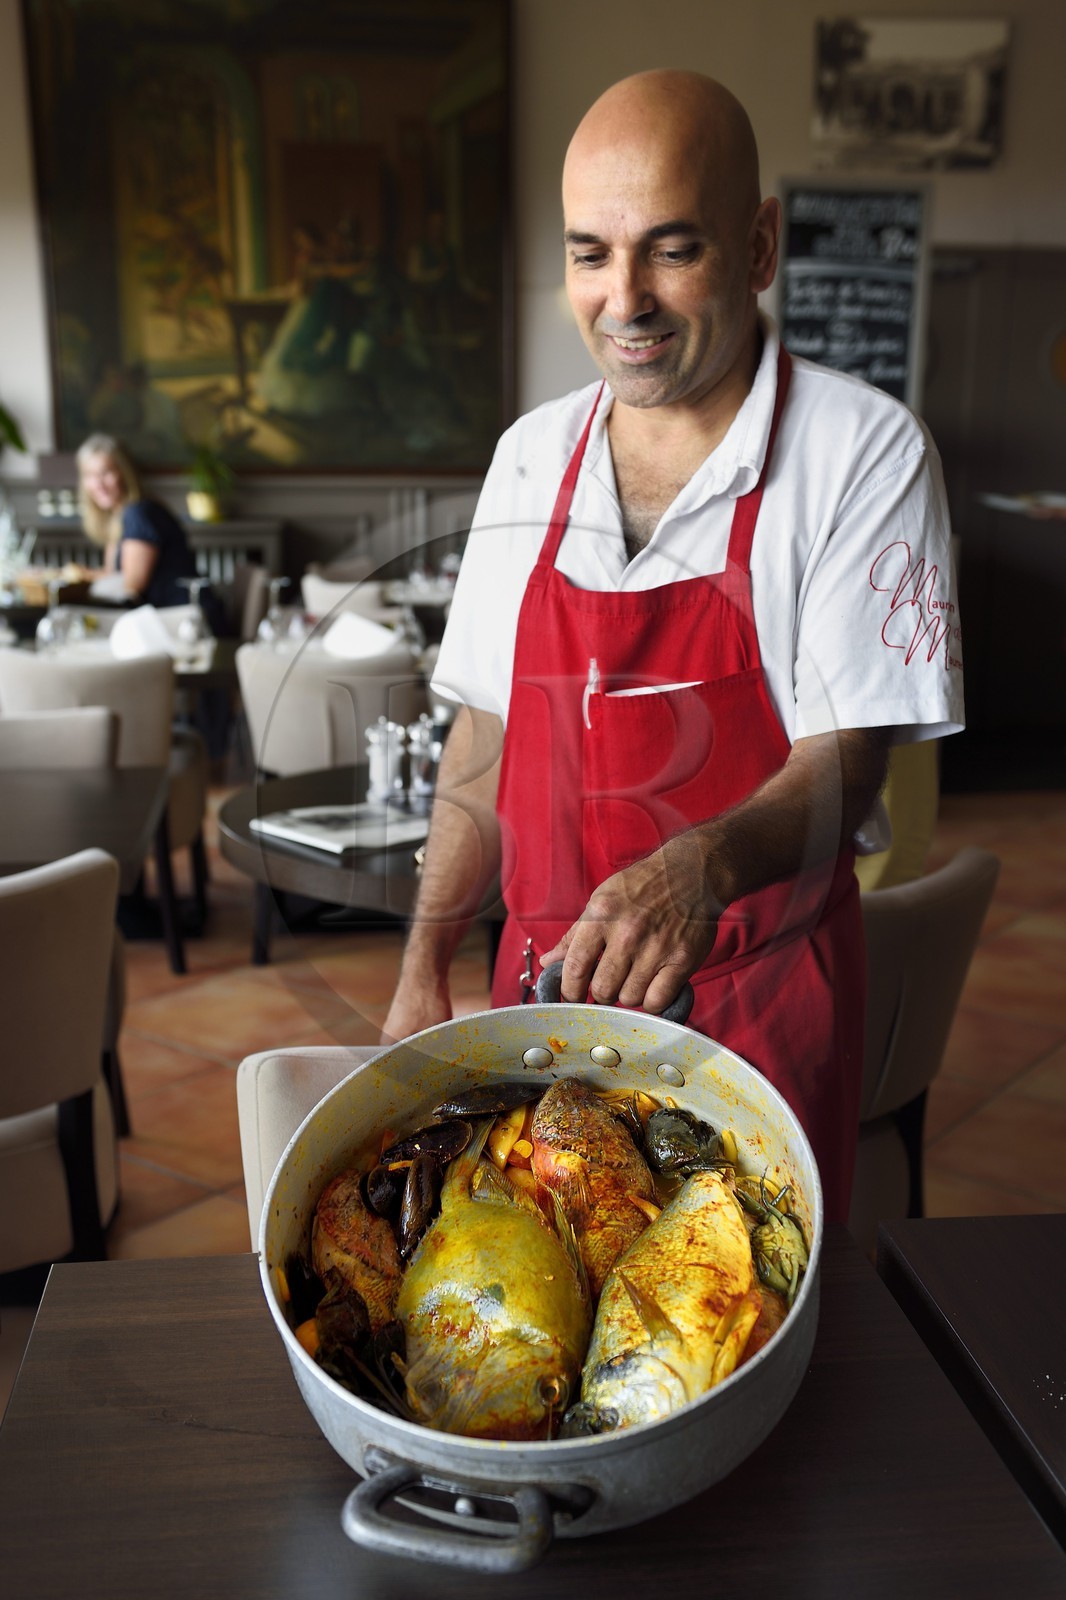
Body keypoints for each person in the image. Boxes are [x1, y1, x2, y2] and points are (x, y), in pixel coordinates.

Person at [382, 70, 964, 1222]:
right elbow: (485, 731)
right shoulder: (529, 459)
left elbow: (846, 761)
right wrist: (420, 966)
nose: (624, 298)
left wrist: (691, 870)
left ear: (757, 244)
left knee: (732, 1336)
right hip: (538, 1010)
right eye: (590, 254)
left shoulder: (863, 453)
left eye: (671, 249)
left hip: (751, 1015)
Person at [76, 433, 199, 609]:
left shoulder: (139, 514)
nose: (98, 483)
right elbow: (112, 574)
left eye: (106, 472)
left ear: (124, 473)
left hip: (181, 620)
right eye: (89, 475)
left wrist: (80, 581)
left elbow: (131, 587)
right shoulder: (118, 517)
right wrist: (76, 575)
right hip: (162, 618)